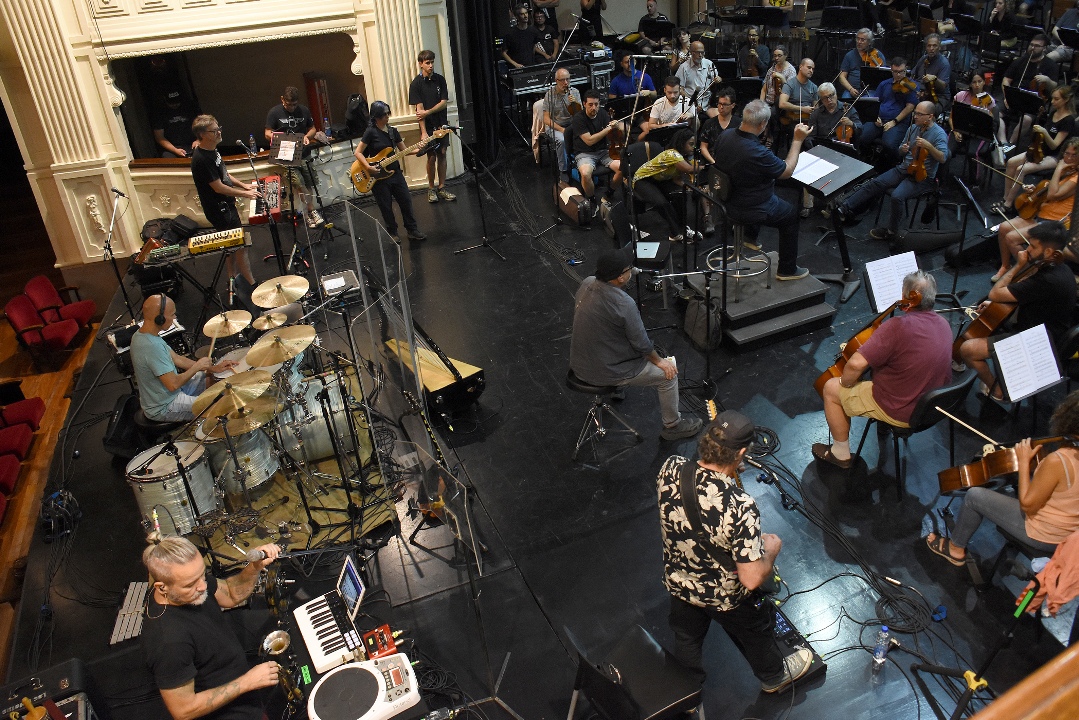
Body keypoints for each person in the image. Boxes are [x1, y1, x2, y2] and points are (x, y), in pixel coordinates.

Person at [657, 410, 813, 693]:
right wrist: (771, 550)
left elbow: (699, 497)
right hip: (725, 596)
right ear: (740, 452)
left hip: (680, 581)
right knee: (756, 633)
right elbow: (751, 579)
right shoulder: (740, 506)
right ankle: (774, 677)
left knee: (687, 637)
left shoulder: (671, 468)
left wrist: (726, 471)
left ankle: (686, 694)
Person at [813, 271, 953, 469]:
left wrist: (845, 383)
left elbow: (855, 365)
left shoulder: (897, 327)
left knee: (830, 388)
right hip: (931, 407)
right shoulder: (944, 323)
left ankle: (840, 454)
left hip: (901, 410)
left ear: (908, 296)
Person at [925, 391, 1079, 566]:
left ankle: (955, 549)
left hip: (1047, 536)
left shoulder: (1059, 461)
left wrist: (1023, 463)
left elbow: (1027, 506)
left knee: (974, 496)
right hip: (1072, 535)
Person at [142, 536, 282, 720]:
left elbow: (231, 593)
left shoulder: (188, 583)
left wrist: (254, 567)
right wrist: (247, 682)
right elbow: (184, 710)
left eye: (202, 575)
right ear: (162, 588)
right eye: (190, 584)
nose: (203, 586)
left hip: (244, 694)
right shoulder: (169, 642)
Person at [570, 249, 702, 441]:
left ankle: (617, 388)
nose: (632, 270)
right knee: (668, 375)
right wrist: (661, 362)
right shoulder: (624, 304)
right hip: (604, 371)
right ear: (620, 277)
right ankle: (673, 426)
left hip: (579, 364)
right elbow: (642, 345)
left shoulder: (587, 282)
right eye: (629, 268)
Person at [959, 221, 1076, 404]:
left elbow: (995, 293)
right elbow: (1030, 297)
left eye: (1033, 246)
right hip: (1046, 327)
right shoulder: (1060, 268)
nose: (1027, 249)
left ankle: (998, 391)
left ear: (1048, 252)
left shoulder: (1048, 280)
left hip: (1038, 341)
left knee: (967, 350)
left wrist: (1018, 265)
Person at [712, 99, 811, 281]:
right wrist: (797, 140)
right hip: (747, 208)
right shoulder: (757, 152)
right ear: (763, 124)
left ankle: (749, 236)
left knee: (756, 183)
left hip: (723, 200)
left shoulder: (725, 135)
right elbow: (787, 171)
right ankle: (787, 270)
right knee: (790, 214)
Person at [835, 100, 949, 242]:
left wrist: (930, 147)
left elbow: (943, 158)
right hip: (904, 168)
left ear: (930, 117)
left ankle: (891, 232)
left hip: (922, 178)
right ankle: (845, 208)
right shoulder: (913, 128)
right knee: (876, 182)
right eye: (915, 113)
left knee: (896, 196)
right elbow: (900, 151)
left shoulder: (939, 134)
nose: (915, 116)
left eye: (919, 114)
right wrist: (903, 149)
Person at [131, 295, 236, 422]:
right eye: (172, 315)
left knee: (213, 379)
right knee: (223, 404)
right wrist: (198, 366)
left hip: (168, 393)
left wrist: (212, 369)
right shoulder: (152, 346)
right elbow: (173, 384)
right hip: (164, 406)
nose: (175, 318)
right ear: (160, 319)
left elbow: (177, 359)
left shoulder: (141, 335)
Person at [190, 114, 258, 288]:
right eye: (214, 131)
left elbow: (224, 174)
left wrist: (244, 186)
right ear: (202, 134)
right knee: (240, 245)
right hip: (219, 210)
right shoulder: (202, 159)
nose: (219, 132)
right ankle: (252, 284)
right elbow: (218, 187)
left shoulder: (212, 149)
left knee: (230, 246)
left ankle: (232, 281)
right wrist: (245, 195)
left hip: (225, 206)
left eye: (219, 128)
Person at [995, 140, 1079, 279]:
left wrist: (1058, 168)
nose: (1069, 158)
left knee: (1012, 238)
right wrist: (1036, 189)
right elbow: (1049, 191)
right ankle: (1006, 266)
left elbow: (1053, 195)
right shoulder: (1067, 171)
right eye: (1066, 153)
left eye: (1074, 155)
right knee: (1004, 227)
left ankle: (1031, 275)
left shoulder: (1075, 178)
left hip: (1055, 223)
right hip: (1042, 215)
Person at [996, 84, 1075, 215]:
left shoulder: (1068, 120)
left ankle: (1008, 204)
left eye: (1056, 99)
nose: (1052, 102)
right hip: (1040, 150)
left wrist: (1044, 131)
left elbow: (1054, 145)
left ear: (1065, 100)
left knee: (1022, 169)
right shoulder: (1053, 113)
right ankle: (1006, 198)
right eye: (1052, 98)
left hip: (1055, 156)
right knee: (1011, 162)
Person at [354, 101, 427, 242]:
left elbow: (404, 150)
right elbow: (358, 152)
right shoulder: (370, 132)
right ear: (376, 116)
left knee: (406, 201)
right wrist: (368, 167)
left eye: (388, 113)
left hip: (395, 173)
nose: (387, 116)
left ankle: (412, 230)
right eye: (384, 114)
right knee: (386, 206)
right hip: (378, 177)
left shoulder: (393, 132)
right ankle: (392, 232)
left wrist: (419, 149)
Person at [264, 86, 323, 229]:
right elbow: (267, 133)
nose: (291, 107)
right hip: (287, 155)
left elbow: (312, 128)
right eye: (288, 104)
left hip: (304, 154)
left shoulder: (304, 110)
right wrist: (283, 139)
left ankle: (310, 211)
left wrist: (306, 137)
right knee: (299, 184)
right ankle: (310, 212)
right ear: (282, 99)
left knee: (309, 183)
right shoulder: (274, 112)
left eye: (294, 104)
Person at [631, 128, 699, 242]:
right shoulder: (672, 154)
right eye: (691, 144)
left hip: (660, 179)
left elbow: (677, 178)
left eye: (695, 144)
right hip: (643, 179)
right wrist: (706, 166)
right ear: (682, 143)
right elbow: (689, 169)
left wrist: (688, 187)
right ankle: (675, 233)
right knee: (662, 203)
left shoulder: (684, 157)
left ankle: (682, 227)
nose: (694, 147)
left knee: (680, 194)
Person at [409, 49, 456, 205]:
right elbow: (419, 111)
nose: (430, 65)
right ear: (421, 64)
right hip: (428, 127)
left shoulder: (440, 80)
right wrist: (423, 132)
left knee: (442, 152)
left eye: (432, 62)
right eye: (427, 63)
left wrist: (428, 112)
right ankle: (431, 189)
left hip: (441, 123)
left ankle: (442, 187)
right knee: (431, 156)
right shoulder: (416, 84)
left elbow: (443, 103)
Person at [857, 57, 919, 163]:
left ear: (906, 70)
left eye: (901, 72)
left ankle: (889, 164)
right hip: (879, 119)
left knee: (888, 145)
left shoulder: (911, 86)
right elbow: (875, 103)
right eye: (895, 72)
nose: (898, 75)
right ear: (891, 70)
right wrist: (875, 117)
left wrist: (894, 121)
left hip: (898, 122)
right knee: (861, 137)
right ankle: (867, 158)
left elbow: (910, 107)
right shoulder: (884, 84)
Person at [1001, 34, 1059, 143]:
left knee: (1026, 119)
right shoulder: (1020, 61)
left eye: (1037, 46)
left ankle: (1010, 143)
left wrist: (1047, 80)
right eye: (1031, 45)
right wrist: (1006, 96)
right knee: (995, 113)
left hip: (1032, 101)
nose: (1033, 48)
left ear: (1044, 48)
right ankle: (1002, 141)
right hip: (1014, 96)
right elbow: (1006, 79)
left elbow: (1054, 87)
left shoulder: (1050, 65)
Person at [570, 89, 622, 209]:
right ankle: (592, 199)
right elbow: (589, 141)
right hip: (584, 153)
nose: (594, 108)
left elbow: (611, 135)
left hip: (603, 151)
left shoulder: (603, 113)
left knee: (623, 167)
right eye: (590, 105)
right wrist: (608, 129)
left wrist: (617, 127)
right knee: (585, 173)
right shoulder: (578, 118)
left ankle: (610, 192)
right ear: (584, 104)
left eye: (596, 104)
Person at [949, 73, 1004, 183]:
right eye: (974, 82)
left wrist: (985, 112)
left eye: (980, 81)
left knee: (973, 153)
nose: (977, 85)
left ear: (984, 82)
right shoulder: (960, 96)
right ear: (970, 84)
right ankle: (941, 178)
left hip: (980, 133)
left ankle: (975, 182)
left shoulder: (988, 100)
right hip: (961, 130)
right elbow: (951, 118)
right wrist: (955, 131)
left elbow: (990, 124)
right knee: (946, 150)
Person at [544, 67, 583, 172]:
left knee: (585, 134)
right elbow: (546, 119)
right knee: (562, 140)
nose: (566, 83)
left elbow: (581, 116)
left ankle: (581, 163)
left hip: (571, 124)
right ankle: (563, 170)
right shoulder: (550, 95)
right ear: (556, 81)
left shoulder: (575, 92)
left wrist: (575, 104)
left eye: (568, 79)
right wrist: (562, 130)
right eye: (562, 80)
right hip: (555, 126)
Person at [776, 57, 817, 155]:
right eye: (809, 67)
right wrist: (802, 109)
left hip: (808, 120)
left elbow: (816, 107)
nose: (811, 71)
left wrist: (813, 110)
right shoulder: (790, 84)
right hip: (792, 119)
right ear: (801, 67)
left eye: (813, 69)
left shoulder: (814, 87)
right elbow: (782, 103)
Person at [809, 82, 862, 147]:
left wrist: (852, 124)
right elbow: (811, 137)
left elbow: (860, 129)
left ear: (836, 94)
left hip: (843, 148)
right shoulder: (816, 114)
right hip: (823, 147)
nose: (829, 100)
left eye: (831, 95)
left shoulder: (848, 108)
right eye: (825, 98)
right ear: (821, 100)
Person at [838, 28, 885, 100]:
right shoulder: (849, 55)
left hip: (870, 90)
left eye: (862, 40)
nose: (859, 42)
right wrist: (851, 89)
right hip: (852, 90)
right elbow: (842, 77)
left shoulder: (878, 55)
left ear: (869, 42)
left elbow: (884, 77)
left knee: (870, 102)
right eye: (858, 39)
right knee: (845, 102)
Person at [676, 42, 720, 115]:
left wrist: (718, 80)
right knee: (693, 118)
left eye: (702, 52)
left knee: (720, 116)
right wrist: (693, 103)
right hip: (691, 105)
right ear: (691, 52)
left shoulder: (709, 64)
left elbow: (717, 80)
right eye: (698, 52)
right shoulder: (683, 67)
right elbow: (680, 89)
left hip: (707, 104)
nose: (700, 55)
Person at [153, 89, 197, 158]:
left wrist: (198, 140)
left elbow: (202, 127)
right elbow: (159, 137)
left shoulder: (190, 108)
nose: (175, 104)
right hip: (172, 147)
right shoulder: (160, 113)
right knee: (168, 158)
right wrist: (175, 150)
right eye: (171, 103)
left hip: (192, 143)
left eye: (177, 102)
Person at [911, 34, 951, 106]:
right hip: (921, 92)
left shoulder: (944, 63)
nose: (931, 48)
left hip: (938, 97)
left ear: (939, 47)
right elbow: (913, 76)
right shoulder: (923, 59)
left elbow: (943, 86)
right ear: (926, 47)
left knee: (923, 108)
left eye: (934, 46)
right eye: (929, 46)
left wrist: (935, 79)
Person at [1048, 0, 1079, 65]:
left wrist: (1065, 45)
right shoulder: (1070, 12)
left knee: (1050, 57)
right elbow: (1055, 30)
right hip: (1056, 44)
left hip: (1072, 49)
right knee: (1035, 51)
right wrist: (1063, 42)